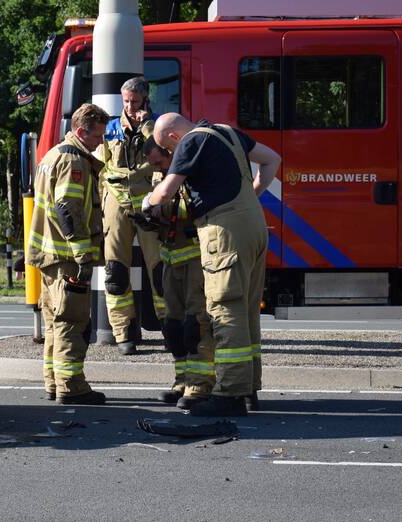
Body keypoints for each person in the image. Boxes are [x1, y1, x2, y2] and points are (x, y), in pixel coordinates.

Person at [146, 113, 281, 417]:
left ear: (172, 138)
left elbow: (166, 191)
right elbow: (272, 159)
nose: (170, 155)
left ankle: (229, 394)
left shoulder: (190, 142)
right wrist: (253, 196)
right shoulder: (228, 132)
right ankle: (248, 389)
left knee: (225, 309)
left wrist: (148, 203)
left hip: (224, 230)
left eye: (167, 149)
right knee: (246, 309)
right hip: (255, 225)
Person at [26, 103, 109, 405]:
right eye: (97, 136)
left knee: (53, 323)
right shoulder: (74, 161)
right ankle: (71, 386)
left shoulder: (51, 155)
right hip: (67, 259)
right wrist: (83, 254)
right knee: (71, 323)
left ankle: (53, 382)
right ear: (80, 131)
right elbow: (68, 209)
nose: (100, 142)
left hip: (49, 256)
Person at [135, 137, 215, 410]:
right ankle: (181, 380)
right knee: (173, 325)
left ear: (171, 153)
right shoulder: (162, 178)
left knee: (196, 324)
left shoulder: (193, 175)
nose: (156, 168)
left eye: (159, 162)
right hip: (171, 258)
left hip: (195, 260)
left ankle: (200, 384)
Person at [98, 77, 165, 355]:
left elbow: (163, 158)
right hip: (116, 202)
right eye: (126, 101)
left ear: (145, 100)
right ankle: (123, 331)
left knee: (161, 270)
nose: (129, 106)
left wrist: (147, 126)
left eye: (134, 102)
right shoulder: (111, 128)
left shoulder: (159, 126)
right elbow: (102, 167)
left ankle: (169, 326)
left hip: (151, 202)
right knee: (115, 271)